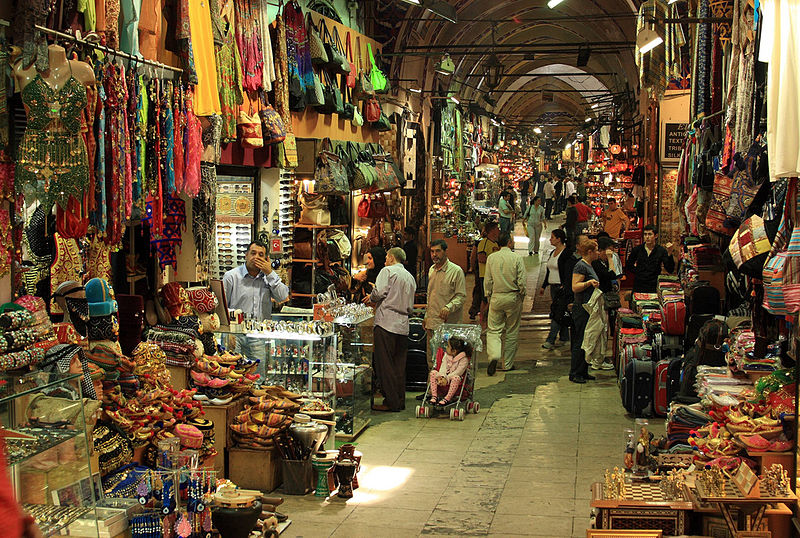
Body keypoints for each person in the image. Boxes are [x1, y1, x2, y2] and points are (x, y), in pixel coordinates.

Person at [223, 240, 290, 376]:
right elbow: (222, 308)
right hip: (235, 335)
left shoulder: (268, 278)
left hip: (258, 335)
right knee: (231, 374)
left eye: (261, 255)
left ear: (266, 259)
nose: (256, 257)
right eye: (253, 253)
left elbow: (283, 296)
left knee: (257, 376)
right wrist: (227, 332)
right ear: (246, 255)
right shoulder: (231, 277)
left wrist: (270, 273)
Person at [365, 247, 417, 411]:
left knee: (384, 364)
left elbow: (379, 292)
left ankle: (391, 401)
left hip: (386, 322)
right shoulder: (409, 277)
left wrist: (372, 294)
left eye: (387, 257)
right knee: (398, 365)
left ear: (393, 258)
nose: (385, 260)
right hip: (403, 324)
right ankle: (399, 400)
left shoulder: (387, 271)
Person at [485, 232, 527, 375]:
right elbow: (521, 280)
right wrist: (522, 294)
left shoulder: (491, 258)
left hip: (497, 296)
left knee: (494, 330)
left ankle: (494, 355)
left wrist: (488, 295)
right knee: (512, 330)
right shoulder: (516, 258)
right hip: (513, 296)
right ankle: (508, 364)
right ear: (509, 242)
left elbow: (488, 280)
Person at [424, 239, 466, 353]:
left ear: (445, 251)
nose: (434, 255)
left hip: (448, 325)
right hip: (432, 322)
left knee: (448, 359)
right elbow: (431, 295)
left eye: (437, 251)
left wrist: (449, 307)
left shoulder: (456, 271)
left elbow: (461, 296)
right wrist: (427, 316)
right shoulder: (431, 270)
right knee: (432, 358)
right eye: (432, 252)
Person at [570, 238, 601, 384]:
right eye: (596, 250)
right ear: (590, 252)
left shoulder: (588, 265)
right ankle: (575, 372)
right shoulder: (581, 266)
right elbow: (575, 287)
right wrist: (589, 283)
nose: (598, 253)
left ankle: (583, 370)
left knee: (586, 339)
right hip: (581, 308)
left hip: (588, 308)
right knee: (580, 340)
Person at [540, 229, 574, 350]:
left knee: (557, 314)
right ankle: (565, 337)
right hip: (553, 288)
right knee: (560, 312)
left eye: (552, 237)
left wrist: (565, 285)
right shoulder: (552, 252)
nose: (550, 239)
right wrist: (544, 286)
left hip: (562, 288)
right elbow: (549, 270)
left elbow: (568, 271)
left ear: (559, 239)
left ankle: (551, 339)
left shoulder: (566, 253)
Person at [625, 224, 676, 293]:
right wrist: (639, 272)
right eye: (645, 234)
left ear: (656, 236)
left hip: (653, 286)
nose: (647, 237)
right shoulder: (637, 249)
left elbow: (670, 269)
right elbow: (629, 265)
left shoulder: (661, 250)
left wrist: (669, 254)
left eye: (650, 234)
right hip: (639, 285)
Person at [428, 336, 472, 406]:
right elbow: (443, 366)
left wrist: (447, 378)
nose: (446, 348)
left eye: (448, 346)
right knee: (433, 373)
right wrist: (441, 376)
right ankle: (434, 396)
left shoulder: (464, 359)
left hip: (454, 379)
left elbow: (459, 372)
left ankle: (447, 398)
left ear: (454, 351)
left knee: (456, 378)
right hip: (443, 378)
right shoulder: (446, 355)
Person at [469, 221, 500, 320]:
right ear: (492, 231)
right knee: (484, 298)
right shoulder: (483, 243)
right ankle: (482, 318)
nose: (499, 230)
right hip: (484, 275)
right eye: (497, 229)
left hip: (493, 275)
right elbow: (480, 258)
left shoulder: (495, 243)